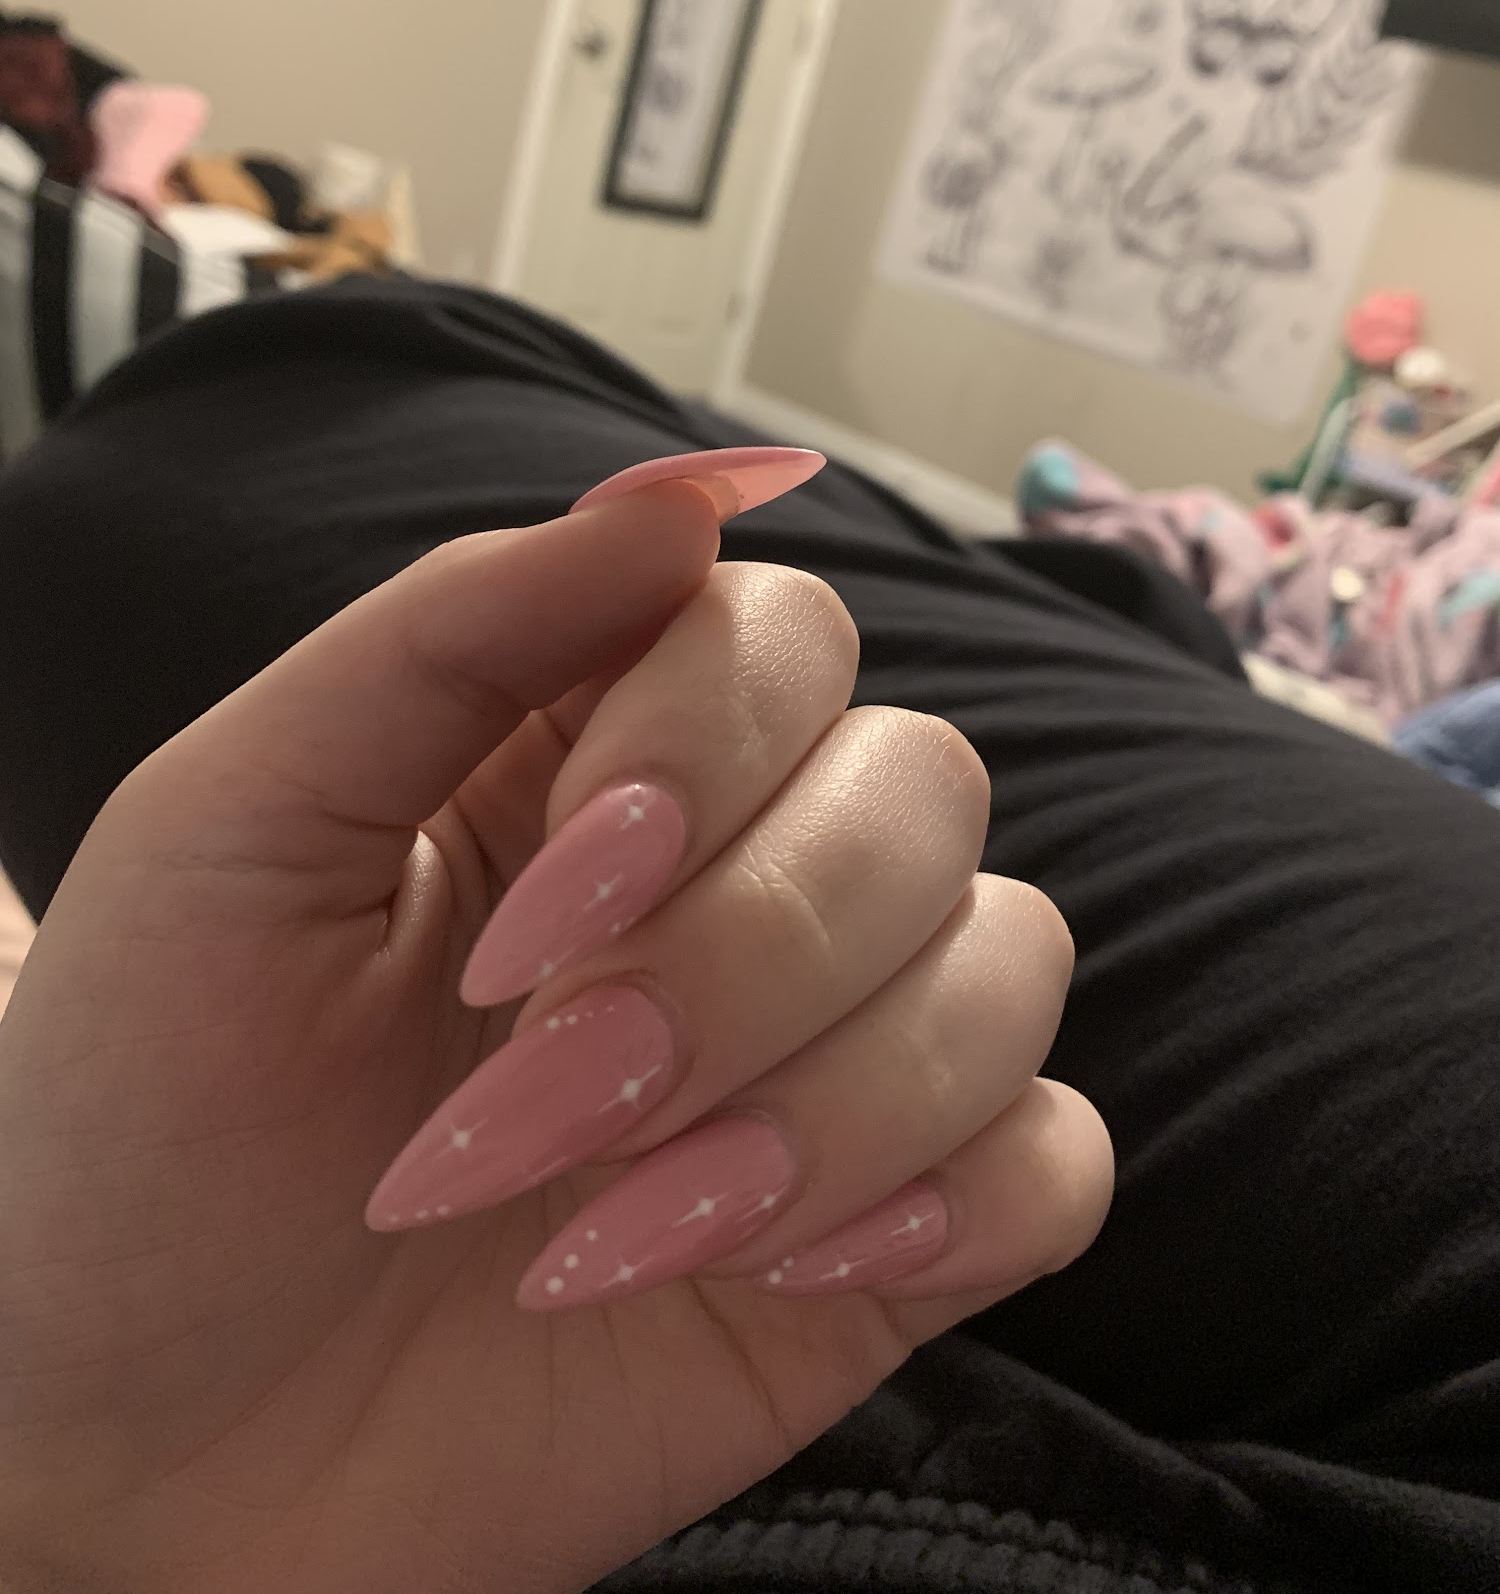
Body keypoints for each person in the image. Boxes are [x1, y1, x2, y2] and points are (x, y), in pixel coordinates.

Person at [0, 271, 1496, 1594]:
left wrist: (88, 1532)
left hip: (243, 433)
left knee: (257, 416)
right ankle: (1126, 603)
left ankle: (1124, 603)